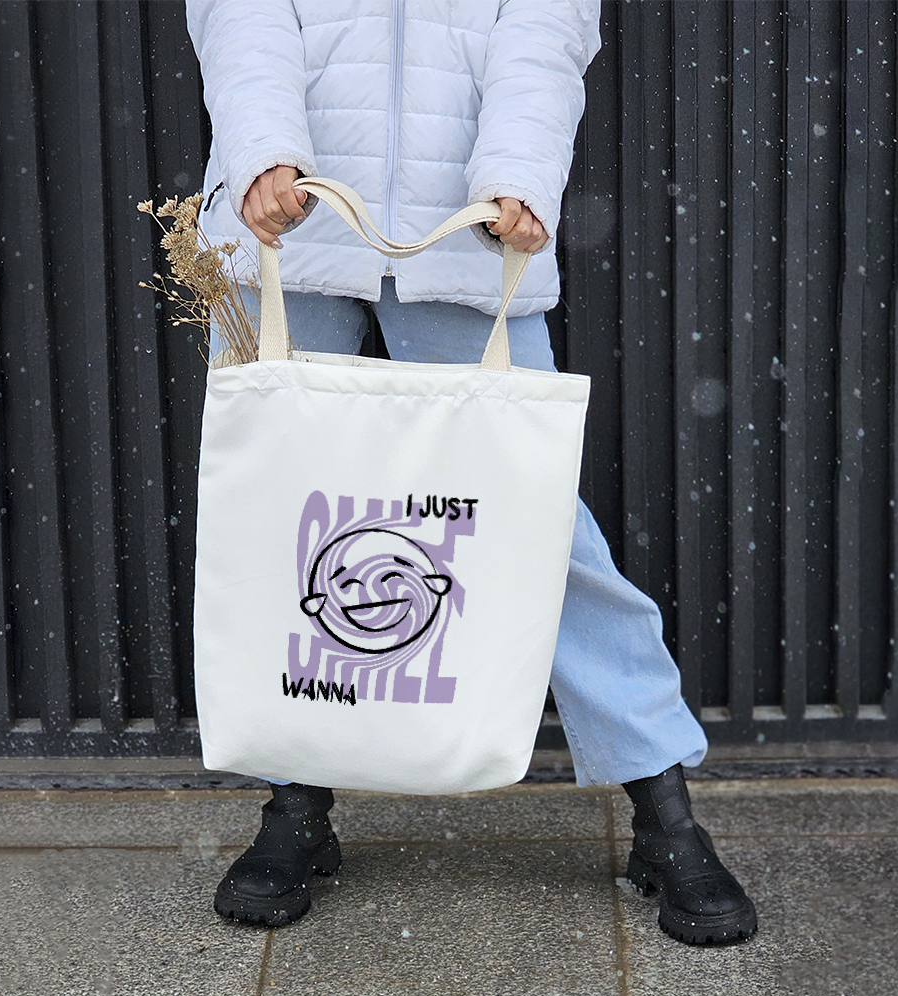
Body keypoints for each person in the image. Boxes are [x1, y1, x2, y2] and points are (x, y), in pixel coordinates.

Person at [186, 0, 757, 946]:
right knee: (284, 527)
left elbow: (544, 27)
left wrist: (519, 174)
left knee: (540, 530)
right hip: (286, 228)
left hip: (466, 233)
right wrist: (262, 153)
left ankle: (664, 812)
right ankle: (294, 802)